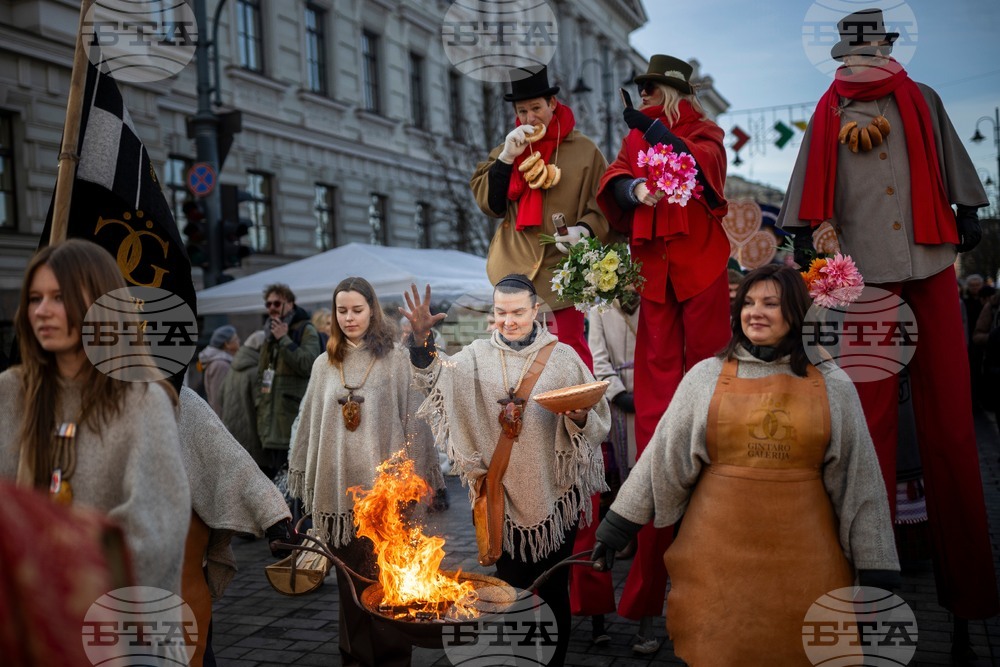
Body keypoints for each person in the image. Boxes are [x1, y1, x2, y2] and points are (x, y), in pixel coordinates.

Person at [777, 8, 999, 642]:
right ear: (842, 56)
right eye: (856, 49)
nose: (866, 57)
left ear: (887, 48)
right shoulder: (826, 111)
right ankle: (866, 575)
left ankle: (971, 590)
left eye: (875, 46)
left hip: (930, 257)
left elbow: (953, 158)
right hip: (861, 272)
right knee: (865, 424)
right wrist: (800, 230)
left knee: (952, 421)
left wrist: (968, 206)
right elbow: (807, 182)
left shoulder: (920, 98)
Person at [592, 264, 899, 664]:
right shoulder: (706, 376)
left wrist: (877, 569)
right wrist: (616, 529)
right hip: (716, 561)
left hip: (807, 563)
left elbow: (861, 483)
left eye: (771, 303)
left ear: (796, 312)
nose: (755, 311)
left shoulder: (833, 382)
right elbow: (660, 459)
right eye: (748, 302)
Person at [402, 275, 610, 667]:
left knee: (551, 591)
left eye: (518, 312)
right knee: (510, 591)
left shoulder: (562, 356)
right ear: (492, 312)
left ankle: (553, 662)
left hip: (554, 494)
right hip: (501, 495)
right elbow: (432, 380)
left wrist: (580, 418)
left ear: (536, 310)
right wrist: (420, 341)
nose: (509, 321)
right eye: (501, 313)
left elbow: (597, 415)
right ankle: (518, 661)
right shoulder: (475, 355)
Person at [594, 53, 731, 652]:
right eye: (642, 91)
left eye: (652, 90)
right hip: (656, 282)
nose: (644, 97)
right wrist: (632, 185)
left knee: (710, 398)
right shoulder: (633, 137)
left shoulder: (702, 130)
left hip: (699, 273)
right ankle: (650, 596)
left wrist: (657, 134)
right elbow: (613, 182)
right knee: (654, 425)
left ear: (673, 94)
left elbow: (707, 172)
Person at [0, 239, 190, 596]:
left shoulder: (143, 399)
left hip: (112, 627)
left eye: (59, 297)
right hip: (23, 625)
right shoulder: (10, 392)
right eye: (35, 298)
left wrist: (50, 566)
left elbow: (153, 538)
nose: (42, 311)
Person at [288, 277, 439, 667]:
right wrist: (302, 478)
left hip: (387, 497)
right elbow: (308, 426)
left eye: (357, 309)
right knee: (351, 590)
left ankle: (391, 660)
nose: (349, 317)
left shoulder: (394, 360)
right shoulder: (324, 364)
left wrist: (412, 483)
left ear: (372, 310)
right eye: (342, 311)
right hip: (338, 499)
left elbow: (416, 423)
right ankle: (354, 659)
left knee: (389, 587)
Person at [470, 65, 611, 367]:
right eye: (522, 111)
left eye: (536, 108)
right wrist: (506, 159)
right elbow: (490, 204)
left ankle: (580, 412)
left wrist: (583, 231)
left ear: (552, 105)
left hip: (561, 274)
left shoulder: (585, 151)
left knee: (568, 353)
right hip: (512, 269)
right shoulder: (507, 149)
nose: (530, 118)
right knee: (512, 358)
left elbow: (604, 206)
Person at [176, 386, 292, 667]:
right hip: (101, 563)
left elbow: (230, 458)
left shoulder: (180, 400)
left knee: (192, 648)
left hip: (180, 564)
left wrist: (273, 516)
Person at [256, 283, 322, 477]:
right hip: (270, 419)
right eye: (268, 304)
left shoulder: (305, 329)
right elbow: (263, 373)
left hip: (292, 419)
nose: (272, 308)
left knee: (291, 481)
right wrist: (259, 403)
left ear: (290, 304)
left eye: (277, 303)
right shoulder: (269, 333)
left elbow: (309, 364)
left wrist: (284, 339)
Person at [218, 330, 267, 470]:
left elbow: (220, 396)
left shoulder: (232, 369)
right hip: (252, 439)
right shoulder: (257, 372)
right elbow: (263, 405)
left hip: (231, 436)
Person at [199, 324, 239, 416]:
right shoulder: (221, 365)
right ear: (227, 344)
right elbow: (217, 399)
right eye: (235, 339)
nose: (239, 341)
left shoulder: (223, 362)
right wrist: (221, 426)